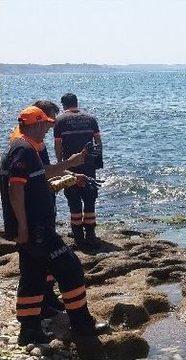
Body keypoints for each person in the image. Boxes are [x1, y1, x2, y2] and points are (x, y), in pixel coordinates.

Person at [0, 106, 107, 347]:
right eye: (46, 125)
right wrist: (24, 226)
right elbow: (14, 188)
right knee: (70, 269)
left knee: (33, 276)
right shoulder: (23, 149)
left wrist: (70, 165)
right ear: (36, 124)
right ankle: (82, 325)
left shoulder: (23, 147)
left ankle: (29, 331)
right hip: (37, 229)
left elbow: (42, 173)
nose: (48, 129)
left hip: (31, 229)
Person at [54, 93, 103, 248]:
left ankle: (78, 235)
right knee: (90, 198)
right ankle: (90, 233)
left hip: (70, 166)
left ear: (63, 105)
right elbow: (98, 141)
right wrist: (98, 160)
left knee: (74, 200)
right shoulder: (91, 119)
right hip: (88, 164)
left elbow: (58, 145)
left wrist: (60, 165)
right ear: (76, 103)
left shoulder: (59, 121)